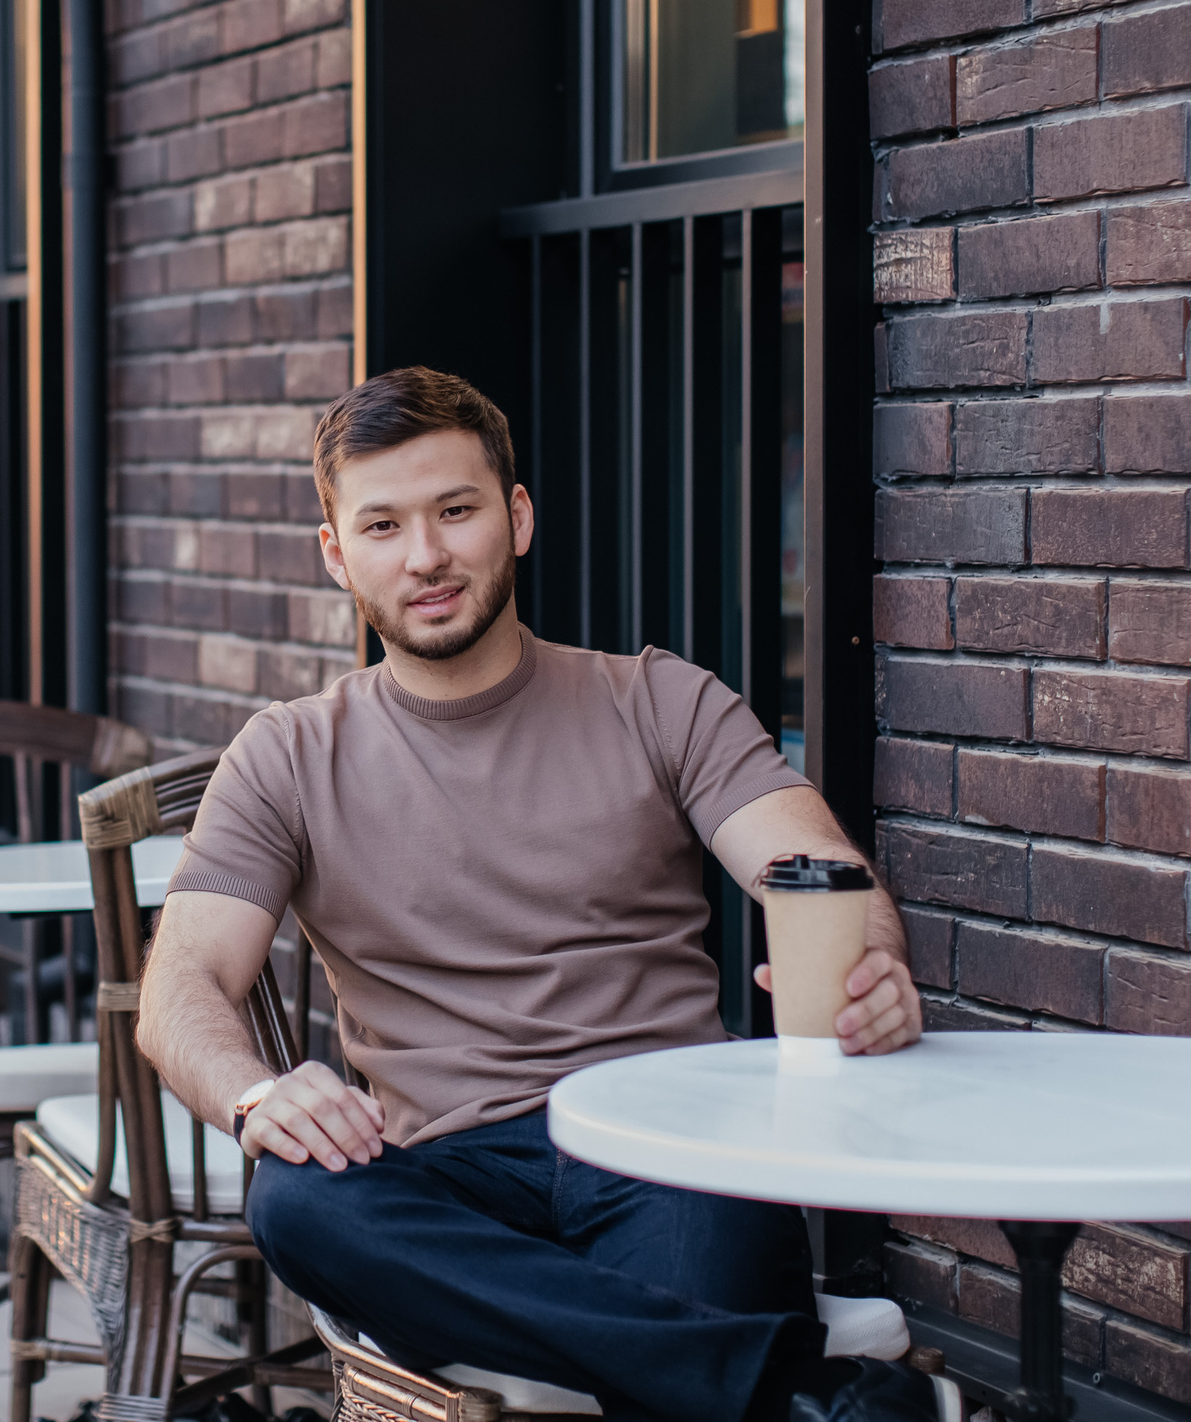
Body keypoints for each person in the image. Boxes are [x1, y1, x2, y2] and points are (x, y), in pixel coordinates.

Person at [136, 367, 954, 1422]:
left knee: (717, 1229)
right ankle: (802, 1390)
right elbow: (181, 985)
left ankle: (736, 1380)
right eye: (382, 525)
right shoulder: (288, 755)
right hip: (441, 1178)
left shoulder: (657, 699)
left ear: (515, 519)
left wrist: (869, 963)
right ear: (338, 554)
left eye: (455, 511)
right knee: (295, 1197)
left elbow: (817, 869)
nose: (425, 556)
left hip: (665, 1139)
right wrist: (257, 1095)